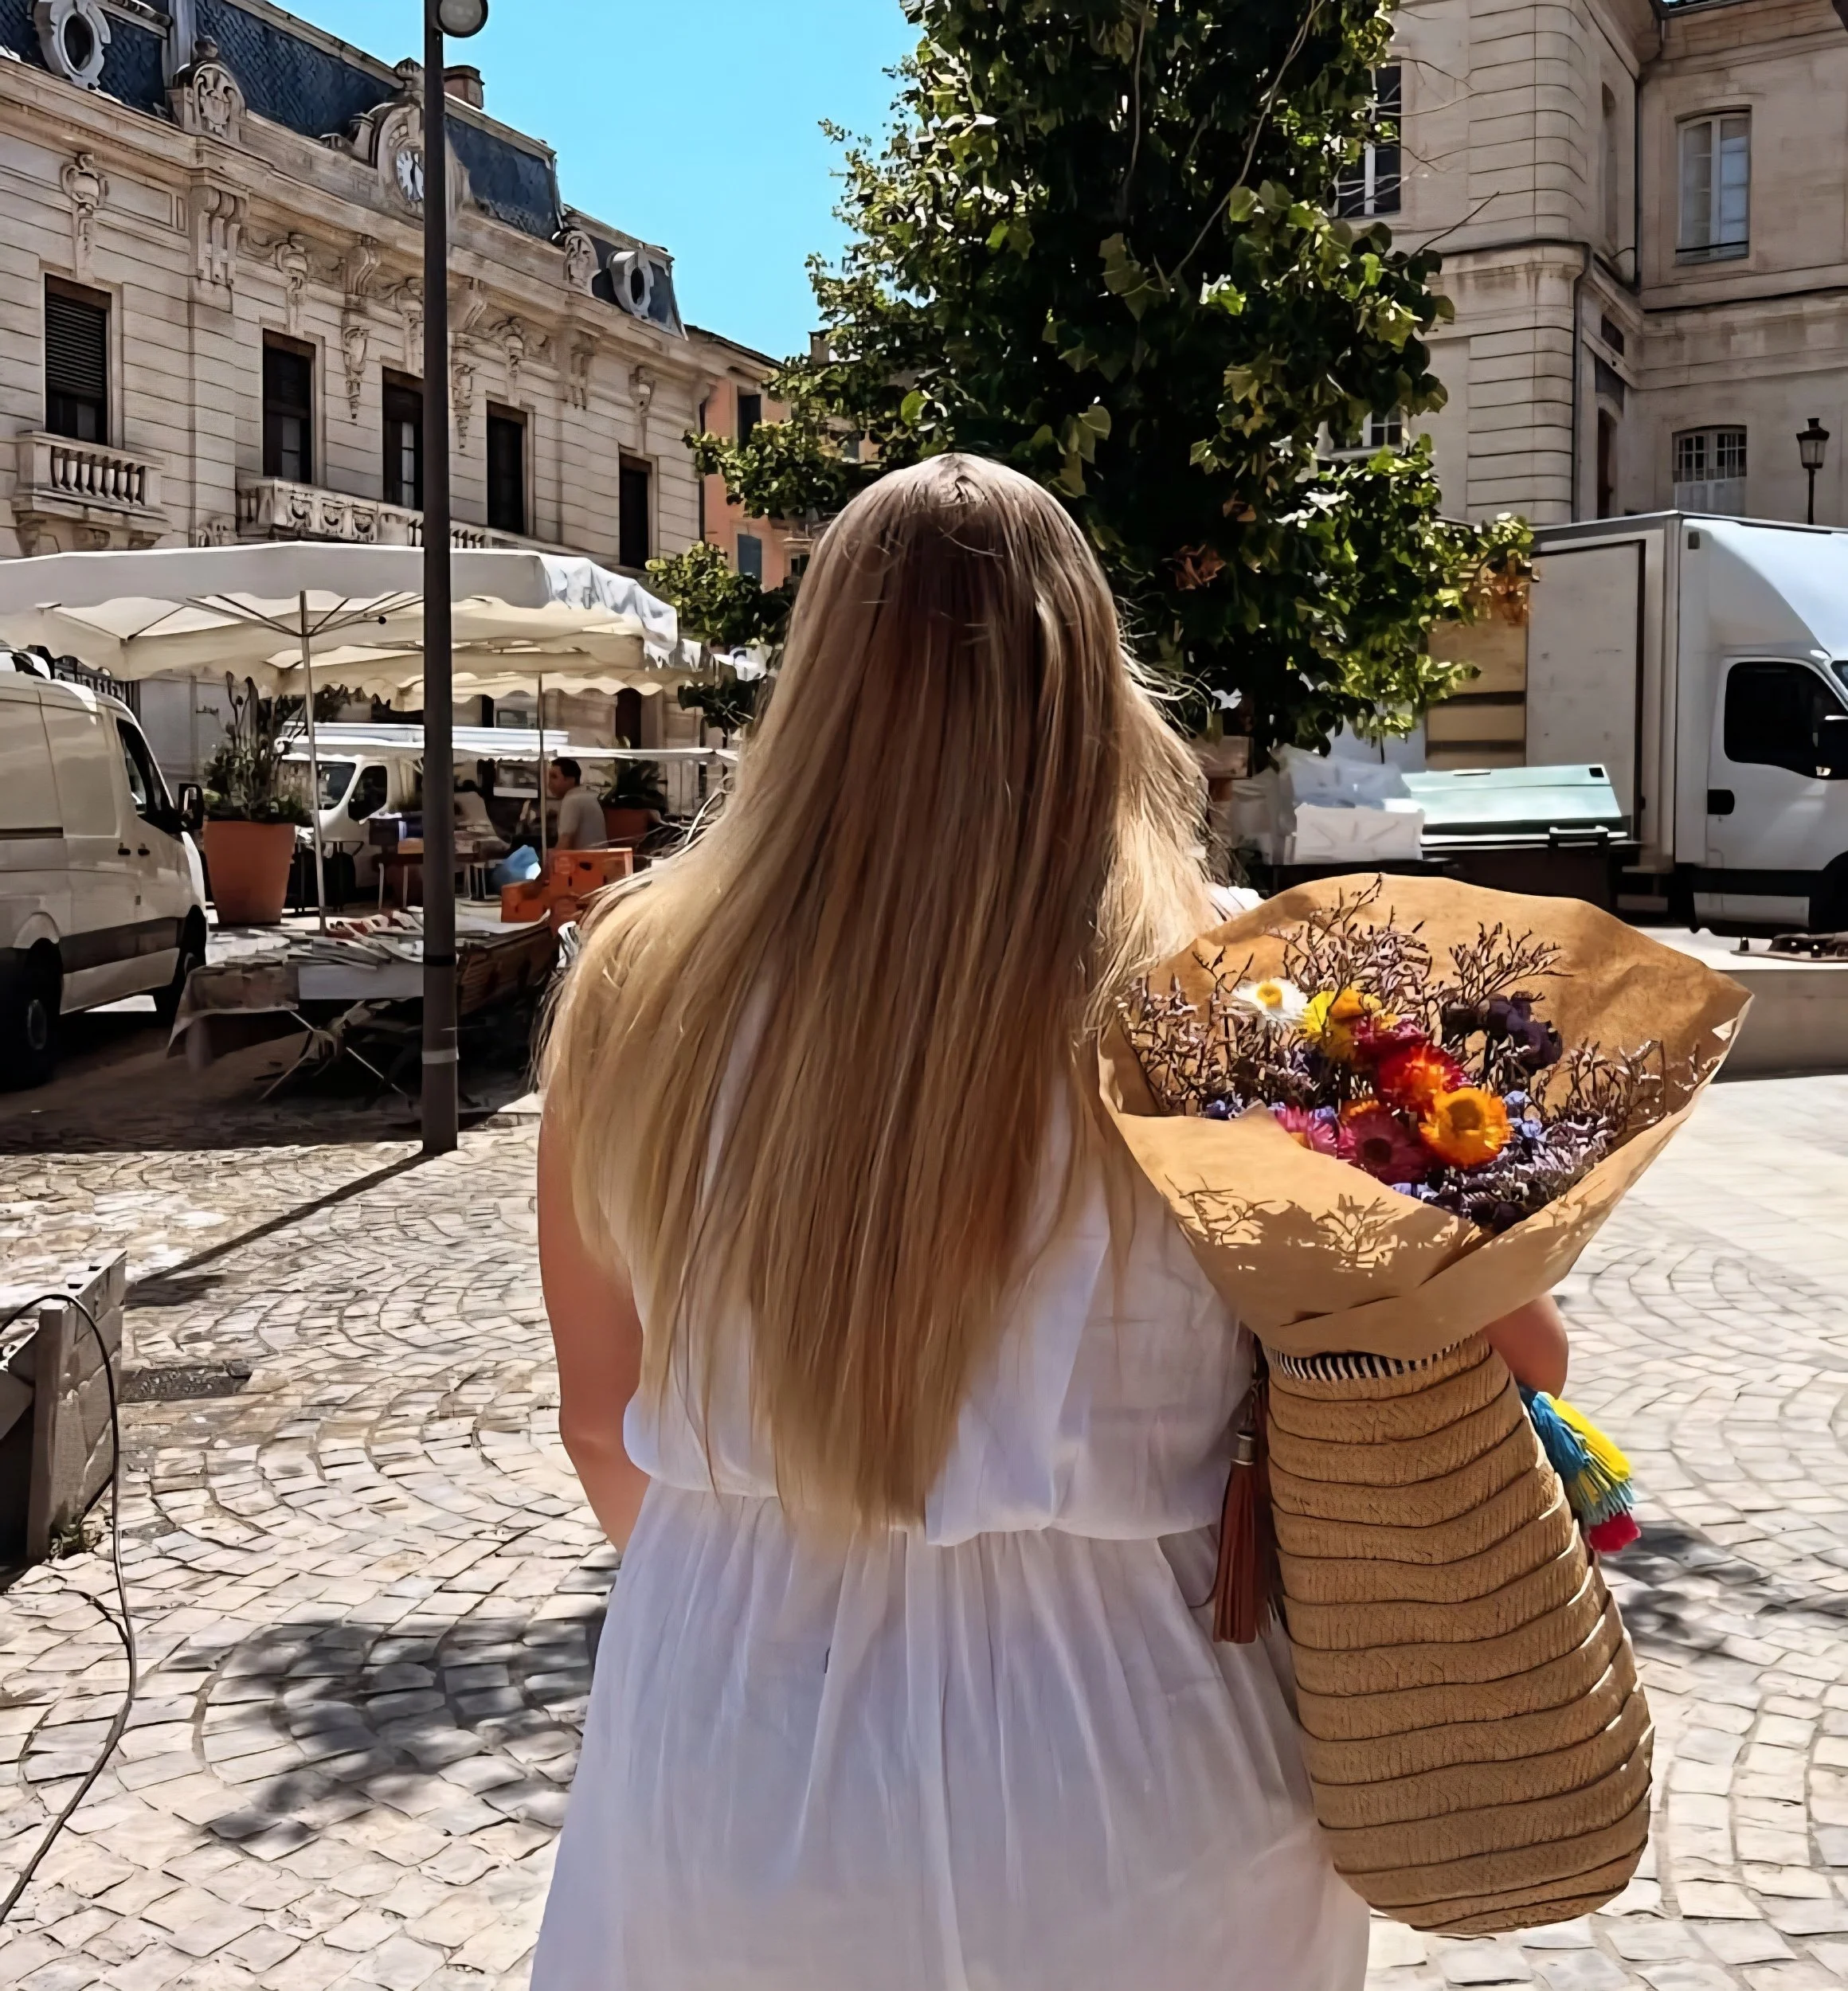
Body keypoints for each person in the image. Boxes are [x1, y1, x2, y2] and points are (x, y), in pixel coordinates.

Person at [533, 455, 1569, 1991]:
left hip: (729, 1746)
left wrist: (784, 1591)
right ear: (1091, 681)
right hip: (1146, 1766)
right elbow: (1525, 1357)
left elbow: (599, 1422)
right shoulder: (1251, 998)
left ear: (813, 685)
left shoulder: (637, 978)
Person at [548, 757, 606, 850]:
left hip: (585, 857)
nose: (550, 782)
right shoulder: (585, 796)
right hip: (596, 856)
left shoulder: (572, 800)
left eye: (554, 777)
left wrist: (551, 858)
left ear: (571, 779)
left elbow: (565, 842)